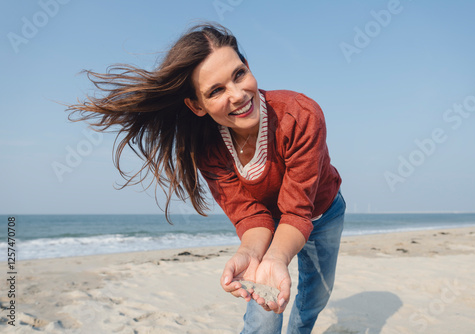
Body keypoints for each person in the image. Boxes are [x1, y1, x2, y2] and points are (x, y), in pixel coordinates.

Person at [68, 23, 345, 334]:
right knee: (263, 312)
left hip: (321, 212)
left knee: (315, 296)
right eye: (216, 91)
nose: (238, 95)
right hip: (269, 223)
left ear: (248, 67)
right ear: (196, 105)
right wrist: (249, 254)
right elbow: (252, 216)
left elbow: (296, 211)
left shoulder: (300, 115)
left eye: (239, 74)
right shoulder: (208, 150)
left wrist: (278, 256)